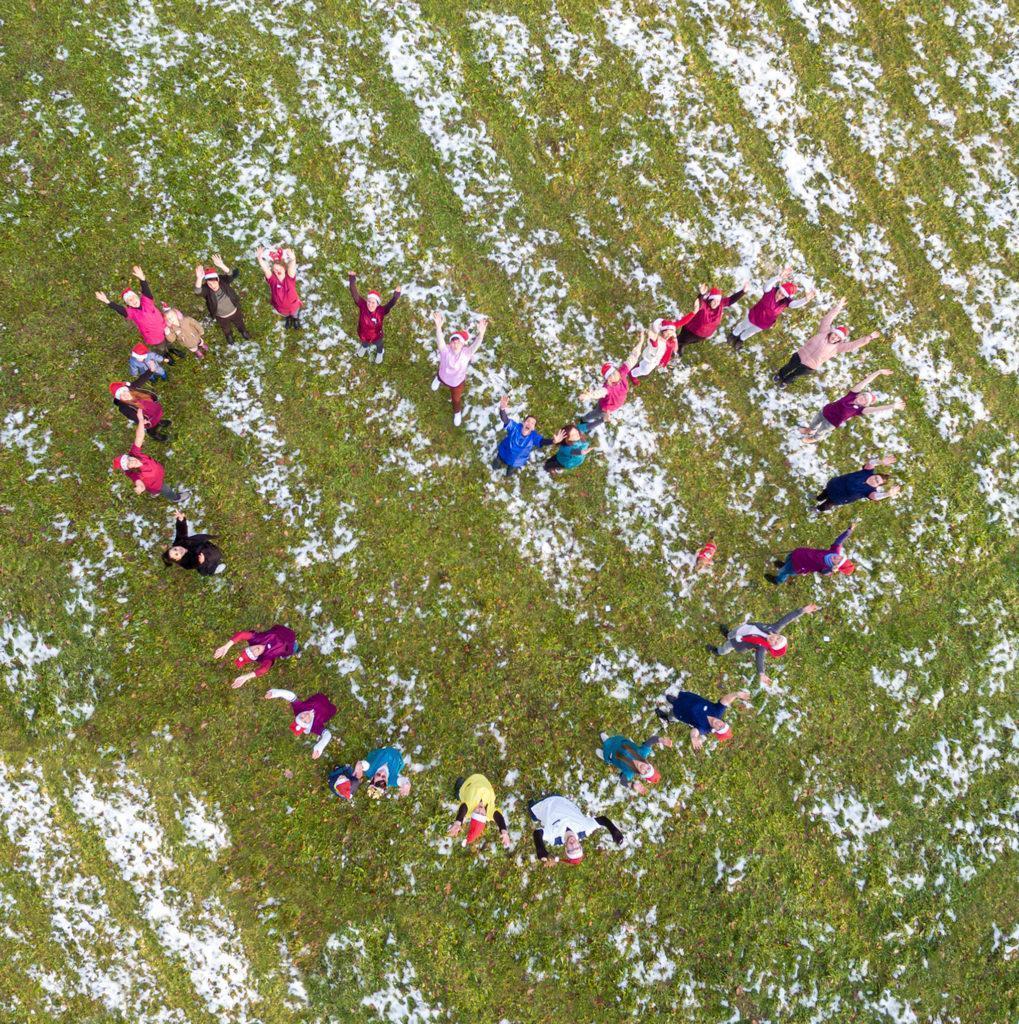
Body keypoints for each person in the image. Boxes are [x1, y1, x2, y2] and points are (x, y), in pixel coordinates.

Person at [772, 298, 880, 387]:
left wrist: (869, 337)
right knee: (789, 367)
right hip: (800, 355)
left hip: (810, 366)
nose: (835, 338)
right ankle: (780, 375)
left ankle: (786, 381)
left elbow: (853, 345)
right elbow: (827, 319)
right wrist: (838, 307)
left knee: (795, 374)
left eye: (838, 338)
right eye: (835, 335)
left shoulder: (838, 347)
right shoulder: (823, 331)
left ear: (840, 340)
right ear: (832, 332)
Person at [711, 604, 820, 687]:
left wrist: (761, 673)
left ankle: (719, 652)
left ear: (771, 646)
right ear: (779, 634)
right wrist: (802, 610)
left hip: (740, 642)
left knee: (728, 646)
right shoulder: (774, 628)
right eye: (778, 638)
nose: (774, 639)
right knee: (733, 633)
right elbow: (787, 618)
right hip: (743, 629)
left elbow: (760, 659)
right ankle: (728, 634)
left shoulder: (761, 647)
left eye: (775, 643)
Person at [95, 265, 184, 361]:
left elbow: (146, 290)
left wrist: (142, 279)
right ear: (128, 304)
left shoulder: (146, 300)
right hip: (154, 337)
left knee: (169, 340)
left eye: (133, 297)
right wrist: (107, 301)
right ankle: (166, 354)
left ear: (137, 296)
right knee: (161, 347)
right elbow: (119, 309)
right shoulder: (131, 313)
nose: (132, 300)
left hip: (164, 328)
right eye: (129, 300)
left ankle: (171, 349)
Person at [799, 369, 905, 443]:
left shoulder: (860, 410)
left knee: (821, 432)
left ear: (865, 405)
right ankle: (809, 429)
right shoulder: (852, 394)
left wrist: (892, 406)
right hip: (824, 411)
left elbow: (876, 409)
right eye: (863, 395)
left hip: (831, 423)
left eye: (865, 400)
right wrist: (879, 372)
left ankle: (814, 438)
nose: (862, 398)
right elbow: (864, 382)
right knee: (814, 422)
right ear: (860, 394)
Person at [727, 268, 815, 351]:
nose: (779, 295)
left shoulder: (786, 302)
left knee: (751, 331)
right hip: (755, 315)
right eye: (779, 292)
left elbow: (794, 304)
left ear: (786, 297)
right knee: (744, 325)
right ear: (779, 289)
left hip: (765, 322)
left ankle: (741, 338)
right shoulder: (770, 291)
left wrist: (805, 300)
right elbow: (767, 285)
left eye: (782, 295)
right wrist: (779, 277)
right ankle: (734, 333)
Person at [430, 311, 489, 427]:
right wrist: (438, 327)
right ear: (449, 344)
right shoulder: (445, 351)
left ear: (463, 345)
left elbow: (476, 345)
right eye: (453, 341)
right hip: (443, 375)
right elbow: (440, 339)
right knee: (440, 376)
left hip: (456, 383)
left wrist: (481, 334)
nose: (455, 344)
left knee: (456, 400)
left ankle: (457, 413)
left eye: (458, 342)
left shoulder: (466, 353)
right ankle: (438, 380)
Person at [529, 795, 624, 866]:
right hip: (561, 799)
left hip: (543, 804)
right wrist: (614, 831)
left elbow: (537, 833)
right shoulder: (585, 829)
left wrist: (541, 850)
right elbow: (603, 820)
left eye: (571, 849)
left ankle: (534, 815)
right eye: (577, 848)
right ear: (580, 844)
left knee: (532, 810)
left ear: (566, 848)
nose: (573, 845)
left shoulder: (554, 838)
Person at [577, 335, 645, 428]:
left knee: (601, 405)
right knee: (596, 413)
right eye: (611, 375)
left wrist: (640, 342)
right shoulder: (608, 388)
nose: (615, 375)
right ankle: (584, 419)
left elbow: (632, 359)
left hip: (617, 402)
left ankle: (595, 410)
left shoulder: (622, 372)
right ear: (608, 379)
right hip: (605, 407)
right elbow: (599, 393)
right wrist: (588, 395)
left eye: (614, 371)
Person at [112, 418, 183, 502]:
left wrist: (141, 422)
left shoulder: (135, 453)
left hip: (158, 471)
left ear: (129, 456)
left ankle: (156, 490)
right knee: (166, 490)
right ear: (129, 468)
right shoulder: (132, 473)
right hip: (156, 484)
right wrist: (140, 487)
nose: (133, 461)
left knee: (160, 474)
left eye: (130, 459)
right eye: (129, 464)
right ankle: (175, 498)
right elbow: (138, 482)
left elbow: (139, 436)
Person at [492, 396, 565, 476]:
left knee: (510, 472)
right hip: (504, 452)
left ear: (533, 428)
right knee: (496, 464)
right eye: (528, 421)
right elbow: (505, 419)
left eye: (532, 423)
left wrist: (553, 441)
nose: (529, 423)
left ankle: (507, 476)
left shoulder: (533, 437)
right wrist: (502, 409)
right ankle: (493, 470)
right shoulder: (515, 428)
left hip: (516, 461)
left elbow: (542, 442)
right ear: (523, 423)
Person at [656, 690, 751, 750]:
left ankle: (667, 719)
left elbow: (695, 731)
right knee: (677, 700)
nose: (719, 724)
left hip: (681, 712)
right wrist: (736, 694)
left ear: (715, 730)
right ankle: (675, 700)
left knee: (673, 714)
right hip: (690, 699)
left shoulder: (705, 728)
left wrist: (694, 738)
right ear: (723, 722)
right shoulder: (718, 711)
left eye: (719, 728)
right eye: (722, 724)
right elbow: (726, 700)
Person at [769, 522, 857, 584]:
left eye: (838, 561)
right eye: (841, 557)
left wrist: (831, 570)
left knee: (784, 571)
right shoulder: (834, 552)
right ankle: (785, 564)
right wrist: (848, 531)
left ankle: (778, 580)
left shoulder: (826, 567)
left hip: (796, 566)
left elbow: (825, 572)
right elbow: (839, 541)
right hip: (798, 553)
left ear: (836, 566)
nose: (837, 558)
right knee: (789, 557)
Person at [676, 280, 747, 356]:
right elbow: (699, 303)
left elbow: (731, 300)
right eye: (714, 301)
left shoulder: (720, 304)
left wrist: (743, 291)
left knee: (690, 341)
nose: (716, 303)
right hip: (691, 330)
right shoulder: (704, 305)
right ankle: (675, 346)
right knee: (682, 339)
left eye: (718, 301)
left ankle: (682, 345)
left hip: (704, 335)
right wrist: (701, 295)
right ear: (710, 299)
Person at [213, 625, 298, 688]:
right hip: (288, 647)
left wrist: (226, 646)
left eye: (251, 649)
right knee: (294, 648)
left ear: (250, 646)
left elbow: (242, 635)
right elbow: (264, 669)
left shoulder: (256, 639)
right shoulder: (267, 658)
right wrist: (246, 677)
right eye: (254, 654)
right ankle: (297, 648)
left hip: (282, 631)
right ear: (257, 657)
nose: (255, 650)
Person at [263, 689, 336, 759]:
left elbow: (290, 696)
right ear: (307, 725)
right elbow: (327, 735)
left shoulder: (299, 709)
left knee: (323, 697)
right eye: (305, 721)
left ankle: (326, 698)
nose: (306, 716)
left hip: (319, 698)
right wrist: (319, 747)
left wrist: (274, 693)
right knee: (332, 709)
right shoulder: (314, 727)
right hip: (328, 711)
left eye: (301, 717)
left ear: (298, 715)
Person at [348, 272, 402, 364]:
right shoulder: (363, 305)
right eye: (369, 301)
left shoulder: (381, 311)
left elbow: (391, 304)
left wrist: (396, 295)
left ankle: (380, 353)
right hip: (363, 334)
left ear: (377, 304)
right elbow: (354, 293)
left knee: (379, 345)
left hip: (376, 336)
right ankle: (364, 347)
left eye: (373, 303)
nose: (370, 304)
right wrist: (352, 279)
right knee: (364, 342)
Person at [815, 455, 901, 513]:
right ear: (874, 474)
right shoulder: (867, 472)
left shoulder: (870, 491)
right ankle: (818, 498)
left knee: (827, 505)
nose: (874, 480)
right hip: (834, 485)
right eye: (875, 477)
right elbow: (871, 463)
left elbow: (875, 497)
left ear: (878, 486)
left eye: (877, 482)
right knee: (824, 493)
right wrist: (881, 462)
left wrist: (888, 494)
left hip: (837, 498)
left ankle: (818, 509)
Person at [194, 256, 249, 345]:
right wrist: (199, 278)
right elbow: (197, 291)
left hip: (234, 311)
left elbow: (230, 274)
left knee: (239, 322)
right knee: (225, 327)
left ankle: (243, 331)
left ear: (218, 279)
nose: (212, 285)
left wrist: (222, 265)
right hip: (221, 316)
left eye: (214, 282)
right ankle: (229, 335)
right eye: (209, 283)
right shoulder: (207, 289)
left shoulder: (223, 280)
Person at [596, 732, 673, 794]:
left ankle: (604, 756)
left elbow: (623, 781)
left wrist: (632, 785)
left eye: (645, 772)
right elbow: (651, 741)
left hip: (611, 755)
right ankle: (607, 740)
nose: (644, 768)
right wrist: (661, 740)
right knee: (610, 741)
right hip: (618, 742)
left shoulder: (630, 772)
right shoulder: (643, 753)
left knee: (606, 754)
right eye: (648, 768)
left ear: (641, 774)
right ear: (648, 764)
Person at [447, 774, 511, 848]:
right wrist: (504, 831)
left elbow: (463, 809)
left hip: (471, 784)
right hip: (484, 782)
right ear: (485, 816)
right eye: (482, 814)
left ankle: (457, 791)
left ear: (472, 813)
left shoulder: (469, 807)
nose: (480, 810)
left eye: (477, 812)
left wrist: (458, 822)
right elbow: (499, 818)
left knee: (460, 793)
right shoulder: (489, 811)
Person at [629, 317, 692, 383]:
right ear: (662, 332)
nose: (669, 335)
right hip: (652, 358)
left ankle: (639, 366)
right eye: (667, 333)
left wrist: (693, 313)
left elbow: (681, 322)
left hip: (658, 358)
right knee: (645, 371)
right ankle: (632, 373)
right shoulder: (658, 340)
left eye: (671, 333)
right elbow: (654, 344)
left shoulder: (671, 337)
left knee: (645, 366)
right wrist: (654, 341)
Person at [109, 372, 168, 441]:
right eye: (121, 395)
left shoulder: (132, 389)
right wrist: (142, 421)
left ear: (127, 390)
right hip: (145, 418)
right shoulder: (124, 408)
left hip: (151, 409)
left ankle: (159, 422)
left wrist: (151, 371)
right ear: (119, 398)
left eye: (124, 391)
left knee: (155, 413)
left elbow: (140, 380)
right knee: (150, 424)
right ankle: (153, 433)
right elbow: (134, 416)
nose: (125, 395)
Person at [162, 510, 224, 576]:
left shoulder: (179, 543)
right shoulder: (184, 562)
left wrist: (181, 520)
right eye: (177, 554)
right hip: (203, 559)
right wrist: (199, 562)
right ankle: (214, 570)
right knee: (209, 564)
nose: (178, 550)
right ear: (178, 559)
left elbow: (181, 532)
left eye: (175, 549)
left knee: (214, 552)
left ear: (173, 546)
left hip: (204, 547)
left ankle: (215, 553)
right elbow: (191, 565)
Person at [256, 245, 302, 329]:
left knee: (295, 313)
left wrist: (293, 259)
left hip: (293, 306)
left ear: (284, 268)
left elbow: (292, 266)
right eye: (274, 270)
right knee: (286, 314)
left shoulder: (289, 278)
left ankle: (295, 319)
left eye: (278, 269)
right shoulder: (273, 281)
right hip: (281, 308)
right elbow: (266, 269)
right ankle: (288, 318)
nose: (276, 271)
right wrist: (259, 258)